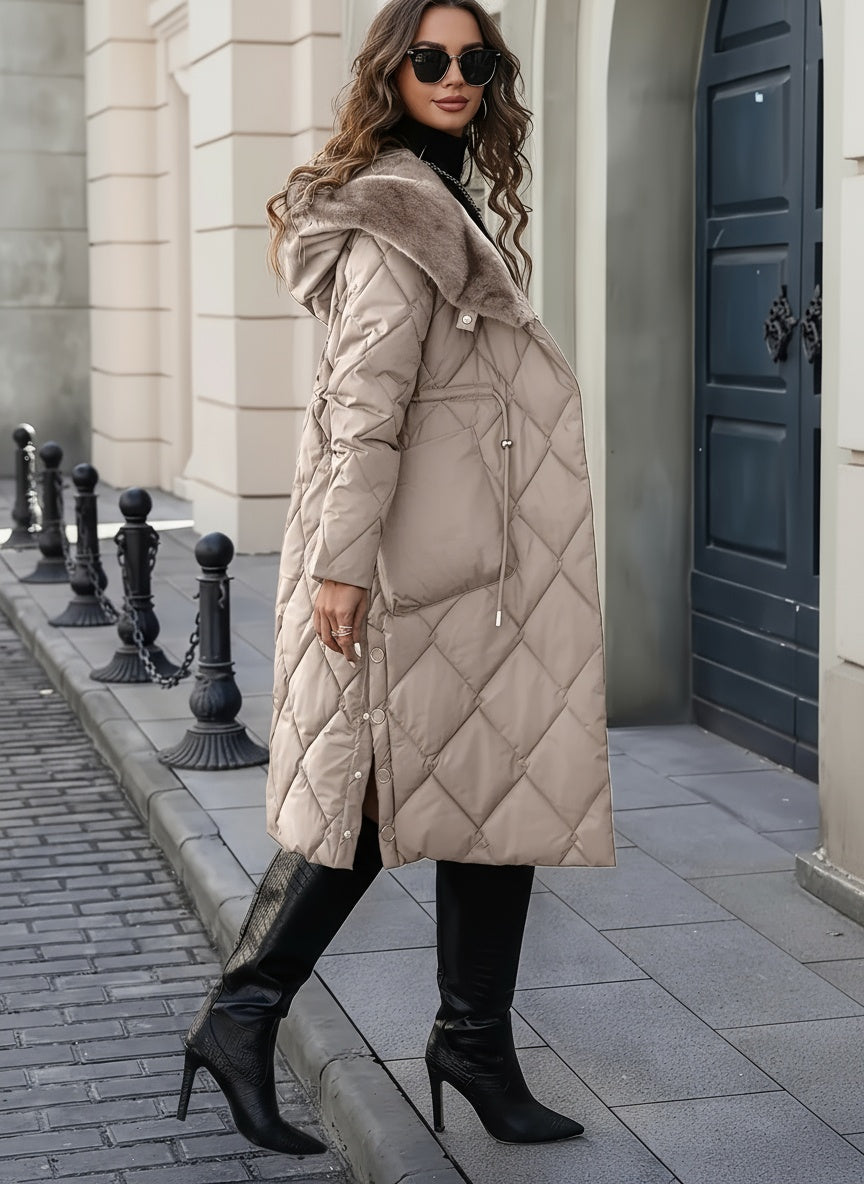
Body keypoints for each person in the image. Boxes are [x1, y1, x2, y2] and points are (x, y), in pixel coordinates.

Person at [176, 0, 615, 1157]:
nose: (455, 76)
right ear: (392, 71)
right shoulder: (401, 213)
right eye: (430, 59)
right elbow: (365, 404)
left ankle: (470, 1043)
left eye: (475, 60)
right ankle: (245, 1013)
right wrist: (338, 567)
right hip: (426, 572)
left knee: (494, 795)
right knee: (371, 801)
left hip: (476, 565)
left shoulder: (444, 195)